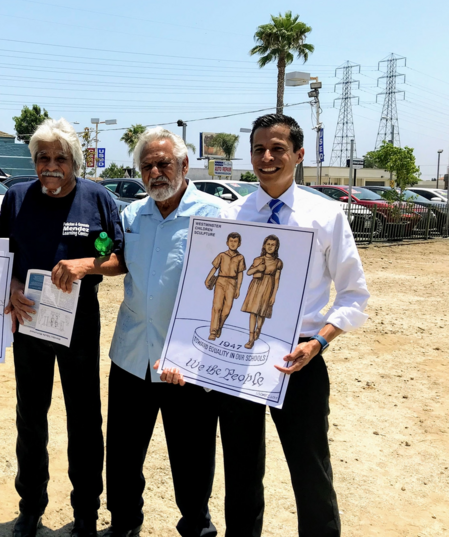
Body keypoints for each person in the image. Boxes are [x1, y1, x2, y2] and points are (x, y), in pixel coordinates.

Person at [159, 114, 370, 537]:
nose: (267, 157)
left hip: (302, 359)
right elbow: (206, 290)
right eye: (259, 149)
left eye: (277, 149)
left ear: (298, 154)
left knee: (310, 467)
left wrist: (320, 343)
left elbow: (354, 296)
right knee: (241, 469)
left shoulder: (325, 216)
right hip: (242, 358)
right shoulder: (232, 215)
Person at [106, 127, 267, 537]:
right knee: (122, 453)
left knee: (192, 456)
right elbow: (112, 258)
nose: (156, 172)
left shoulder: (217, 216)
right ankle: (124, 525)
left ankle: (196, 527)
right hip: (131, 354)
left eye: (164, 163)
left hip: (187, 362)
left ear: (183, 165)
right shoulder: (131, 215)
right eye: (148, 166)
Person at [0, 118, 125, 537]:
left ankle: (85, 512)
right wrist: (13, 284)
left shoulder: (97, 199)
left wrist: (86, 263)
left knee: (85, 419)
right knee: (30, 417)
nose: (51, 166)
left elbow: (117, 258)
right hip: (30, 319)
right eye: (43, 158)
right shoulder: (17, 198)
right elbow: (4, 257)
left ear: (74, 161)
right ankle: (30, 508)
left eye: (60, 158)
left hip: (79, 324)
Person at [241, 235, 283, 348]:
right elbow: (249, 272)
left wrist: (273, 295)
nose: (270, 247)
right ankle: (250, 339)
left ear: (276, 247)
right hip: (256, 286)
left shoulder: (278, 262)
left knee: (262, 312)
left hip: (268, 286)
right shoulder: (258, 259)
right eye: (268, 244)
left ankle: (258, 328)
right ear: (264, 245)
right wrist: (258, 268)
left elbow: (277, 280)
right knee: (253, 312)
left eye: (273, 245)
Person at [205, 232, 245, 340]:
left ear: (239, 244)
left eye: (235, 241)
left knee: (227, 309)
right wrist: (208, 278)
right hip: (220, 281)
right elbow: (214, 268)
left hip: (232, 283)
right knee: (217, 307)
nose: (233, 244)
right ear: (227, 242)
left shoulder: (240, 257)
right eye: (231, 241)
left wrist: (238, 288)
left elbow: (240, 273)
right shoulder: (222, 255)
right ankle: (213, 331)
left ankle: (219, 326)